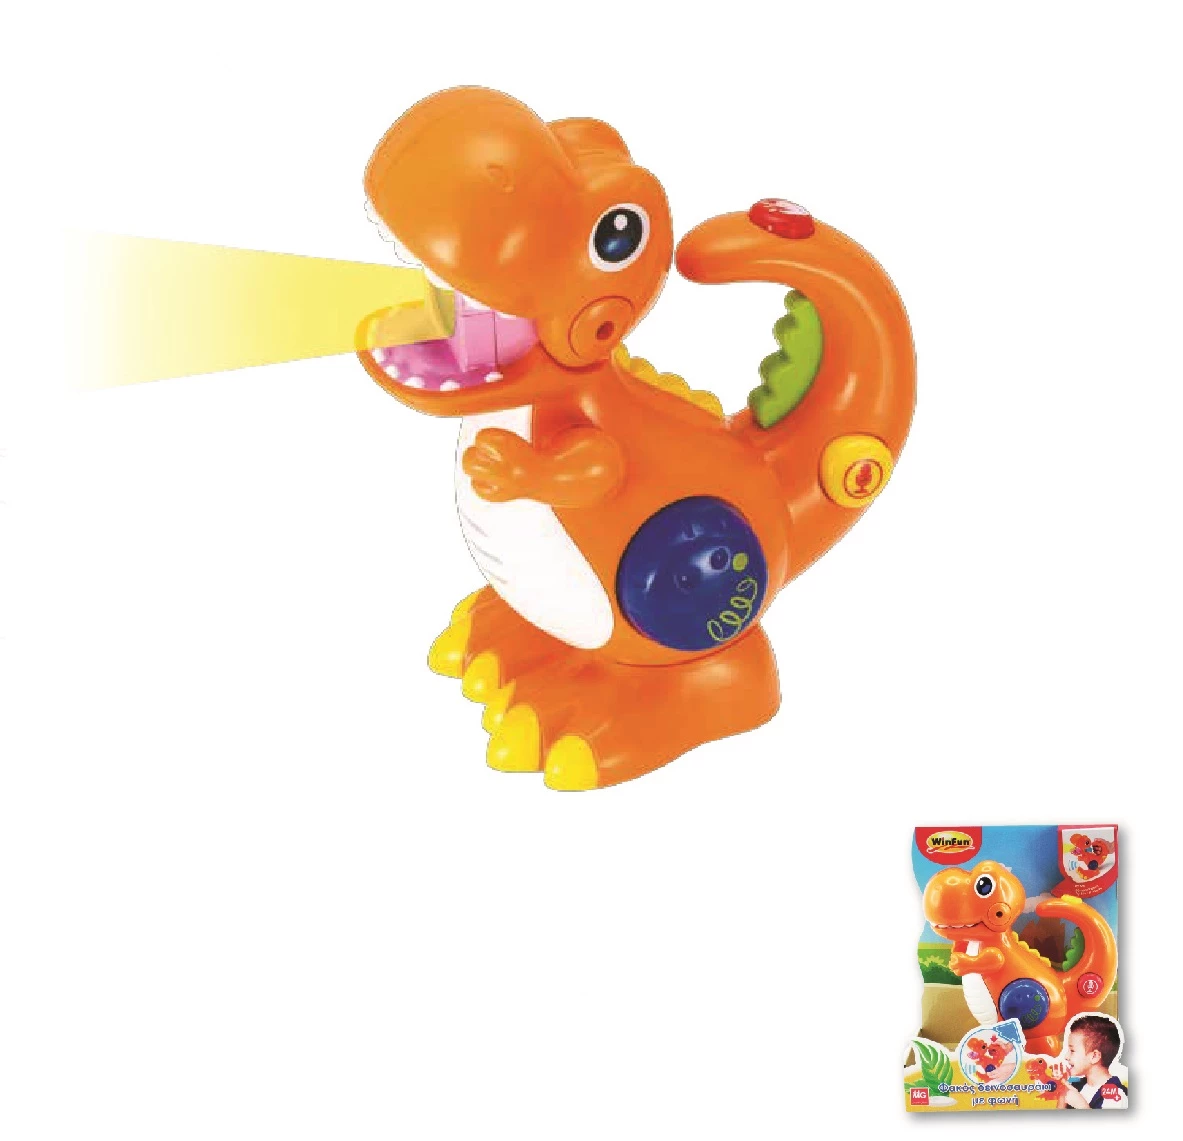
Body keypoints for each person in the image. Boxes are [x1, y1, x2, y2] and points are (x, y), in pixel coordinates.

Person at [1058, 1015, 1126, 1109]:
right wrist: (1063, 1095)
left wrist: (1081, 1105)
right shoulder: (1075, 1086)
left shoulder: (1115, 1095)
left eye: (1072, 1050)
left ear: (1094, 1056)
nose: (1066, 1057)